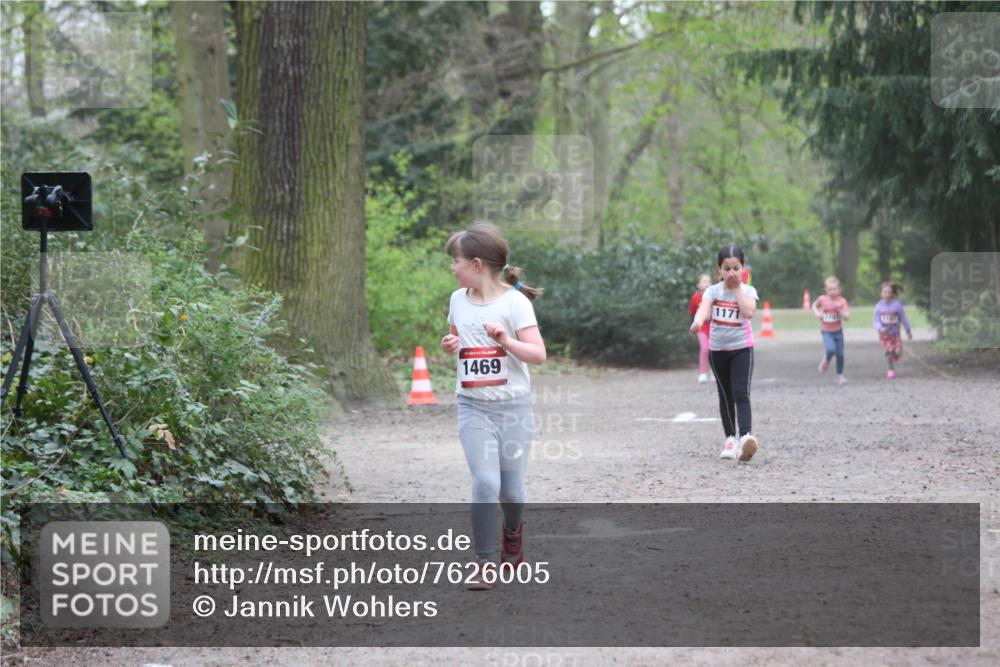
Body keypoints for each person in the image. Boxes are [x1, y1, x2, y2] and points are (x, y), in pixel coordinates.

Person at [440, 222, 546, 591]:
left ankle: (513, 532)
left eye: (456, 261)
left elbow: (538, 354)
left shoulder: (514, 303)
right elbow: (457, 336)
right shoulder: (457, 299)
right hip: (473, 406)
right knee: (485, 482)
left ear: (477, 264)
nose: (453, 268)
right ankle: (484, 561)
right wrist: (450, 344)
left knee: (511, 492)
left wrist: (505, 340)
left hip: (513, 408)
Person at [689, 245, 760, 462]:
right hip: (717, 351)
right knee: (725, 395)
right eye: (726, 268)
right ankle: (730, 439)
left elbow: (748, 312)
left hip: (742, 349)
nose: (731, 273)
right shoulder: (712, 291)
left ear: (742, 268)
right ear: (718, 270)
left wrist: (737, 287)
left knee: (741, 393)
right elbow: (704, 308)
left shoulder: (748, 291)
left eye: (736, 268)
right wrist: (698, 320)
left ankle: (746, 437)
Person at [812, 276, 850, 385]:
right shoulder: (822, 299)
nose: (832, 292)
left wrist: (839, 310)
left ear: (839, 290)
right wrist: (818, 314)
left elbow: (847, 317)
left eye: (834, 289)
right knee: (830, 350)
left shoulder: (842, 301)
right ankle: (826, 360)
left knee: (840, 355)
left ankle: (839, 375)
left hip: (838, 331)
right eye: (829, 290)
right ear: (826, 290)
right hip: (826, 331)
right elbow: (814, 305)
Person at [873, 281, 912, 379]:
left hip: (895, 334)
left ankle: (897, 353)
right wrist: (880, 328)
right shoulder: (878, 307)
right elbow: (876, 320)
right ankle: (891, 370)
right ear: (880, 294)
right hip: (884, 334)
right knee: (888, 351)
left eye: (889, 292)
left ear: (893, 294)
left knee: (897, 351)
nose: (887, 294)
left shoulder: (897, 305)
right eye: (884, 292)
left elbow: (903, 318)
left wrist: (908, 330)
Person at [687, 274, 713, 383]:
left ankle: (715, 372)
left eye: (709, 281)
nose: (707, 283)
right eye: (704, 281)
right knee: (705, 348)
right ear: (698, 285)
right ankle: (703, 373)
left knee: (714, 350)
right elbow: (692, 313)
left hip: (713, 327)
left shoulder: (714, 296)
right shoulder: (696, 297)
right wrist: (692, 327)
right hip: (701, 328)